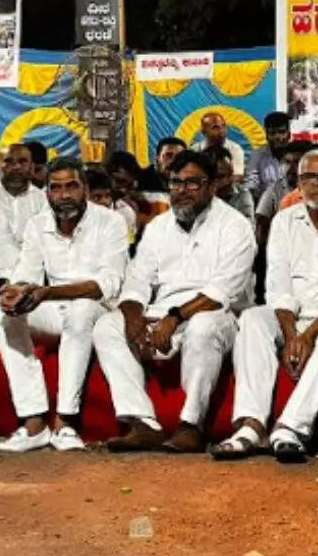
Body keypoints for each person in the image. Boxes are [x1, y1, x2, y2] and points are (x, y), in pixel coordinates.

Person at [211, 148, 318, 461]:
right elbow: (278, 285)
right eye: (308, 178)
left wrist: (307, 336)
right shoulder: (283, 221)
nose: (317, 184)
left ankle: (291, 428)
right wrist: (291, 335)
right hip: (290, 317)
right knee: (253, 319)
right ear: (298, 184)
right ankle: (251, 425)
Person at [93, 150, 257, 453]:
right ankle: (143, 423)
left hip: (218, 315)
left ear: (211, 186)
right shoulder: (159, 226)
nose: (182, 190)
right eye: (176, 182)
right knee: (107, 325)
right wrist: (133, 317)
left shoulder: (235, 225)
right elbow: (137, 279)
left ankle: (191, 425)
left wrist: (174, 318)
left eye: (193, 183)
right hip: (164, 314)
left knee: (204, 326)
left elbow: (222, 292)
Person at [0, 157, 129, 453]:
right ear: (47, 192)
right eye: (56, 188)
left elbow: (107, 284)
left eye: (71, 186)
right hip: (53, 306)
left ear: (85, 189)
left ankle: (65, 422)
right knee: (3, 315)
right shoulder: (38, 224)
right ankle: (33, 421)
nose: (64, 195)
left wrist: (46, 293)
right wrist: (15, 292)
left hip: (100, 310)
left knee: (81, 309)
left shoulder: (111, 222)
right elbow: (27, 273)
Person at [0, 143, 48, 292]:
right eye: (9, 161)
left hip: (31, 281)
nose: (16, 166)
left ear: (32, 167)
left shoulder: (44, 201)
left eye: (22, 162)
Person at [255, 140, 312, 233]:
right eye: (287, 162)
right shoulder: (274, 190)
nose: (291, 168)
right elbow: (261, 223)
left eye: (297, 162)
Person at [245, 112, 292, 200]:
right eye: (273, 133)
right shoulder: (257, 155)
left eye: (281, 132)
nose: (277, 137)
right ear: (266, 136)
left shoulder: (297, 155)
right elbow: (251, 183)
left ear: (289, 134)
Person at [85, 168, 137, 244]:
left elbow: (130, 243)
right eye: (97, 197)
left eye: (107, 196)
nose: (105, 201)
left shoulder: (125, 213)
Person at [207, 145, 256, 224]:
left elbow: (248, 226)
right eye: (220, 176)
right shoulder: (195, 197)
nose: (228, 181)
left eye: (230, 174)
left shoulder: (241, 193)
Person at [192, 111, 245, 181]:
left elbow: (238, 176)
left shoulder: (235, 149)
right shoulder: (194, 150)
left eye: (223, 126)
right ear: (204, 132)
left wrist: (216, 185)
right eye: (215, 128)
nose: (221, 131)